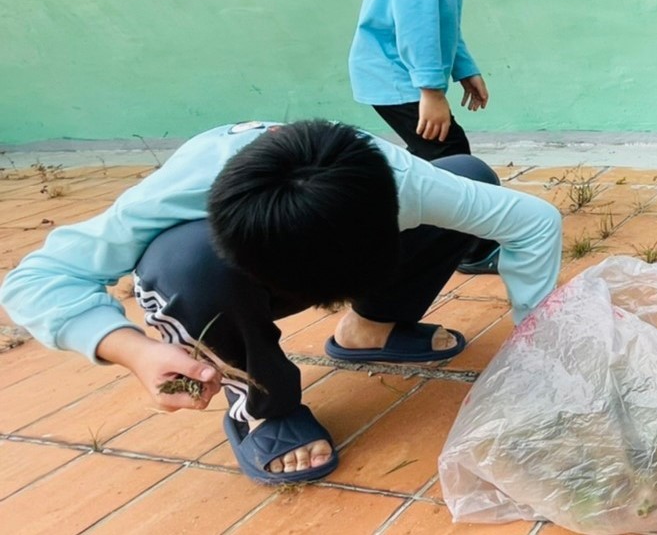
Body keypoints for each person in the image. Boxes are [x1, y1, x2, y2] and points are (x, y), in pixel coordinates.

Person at [0, 120, 562, 483]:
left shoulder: (404, 183)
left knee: (468, 174)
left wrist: (538, 351)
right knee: (184, 266)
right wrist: (132, 351)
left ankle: (369, 328)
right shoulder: (171, 198)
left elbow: (534, 222)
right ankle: (264, 407)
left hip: (343, 231)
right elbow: (36, 280)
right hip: (220, 275)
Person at [348, 0, 543, 274]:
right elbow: (418, 27)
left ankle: (416, 233)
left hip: (407, 73)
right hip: (396, 75)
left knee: (433, 163)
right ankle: (467, 250)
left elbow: (443, 21)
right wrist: (431, 90)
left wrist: (465, 69)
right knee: (453, 160)